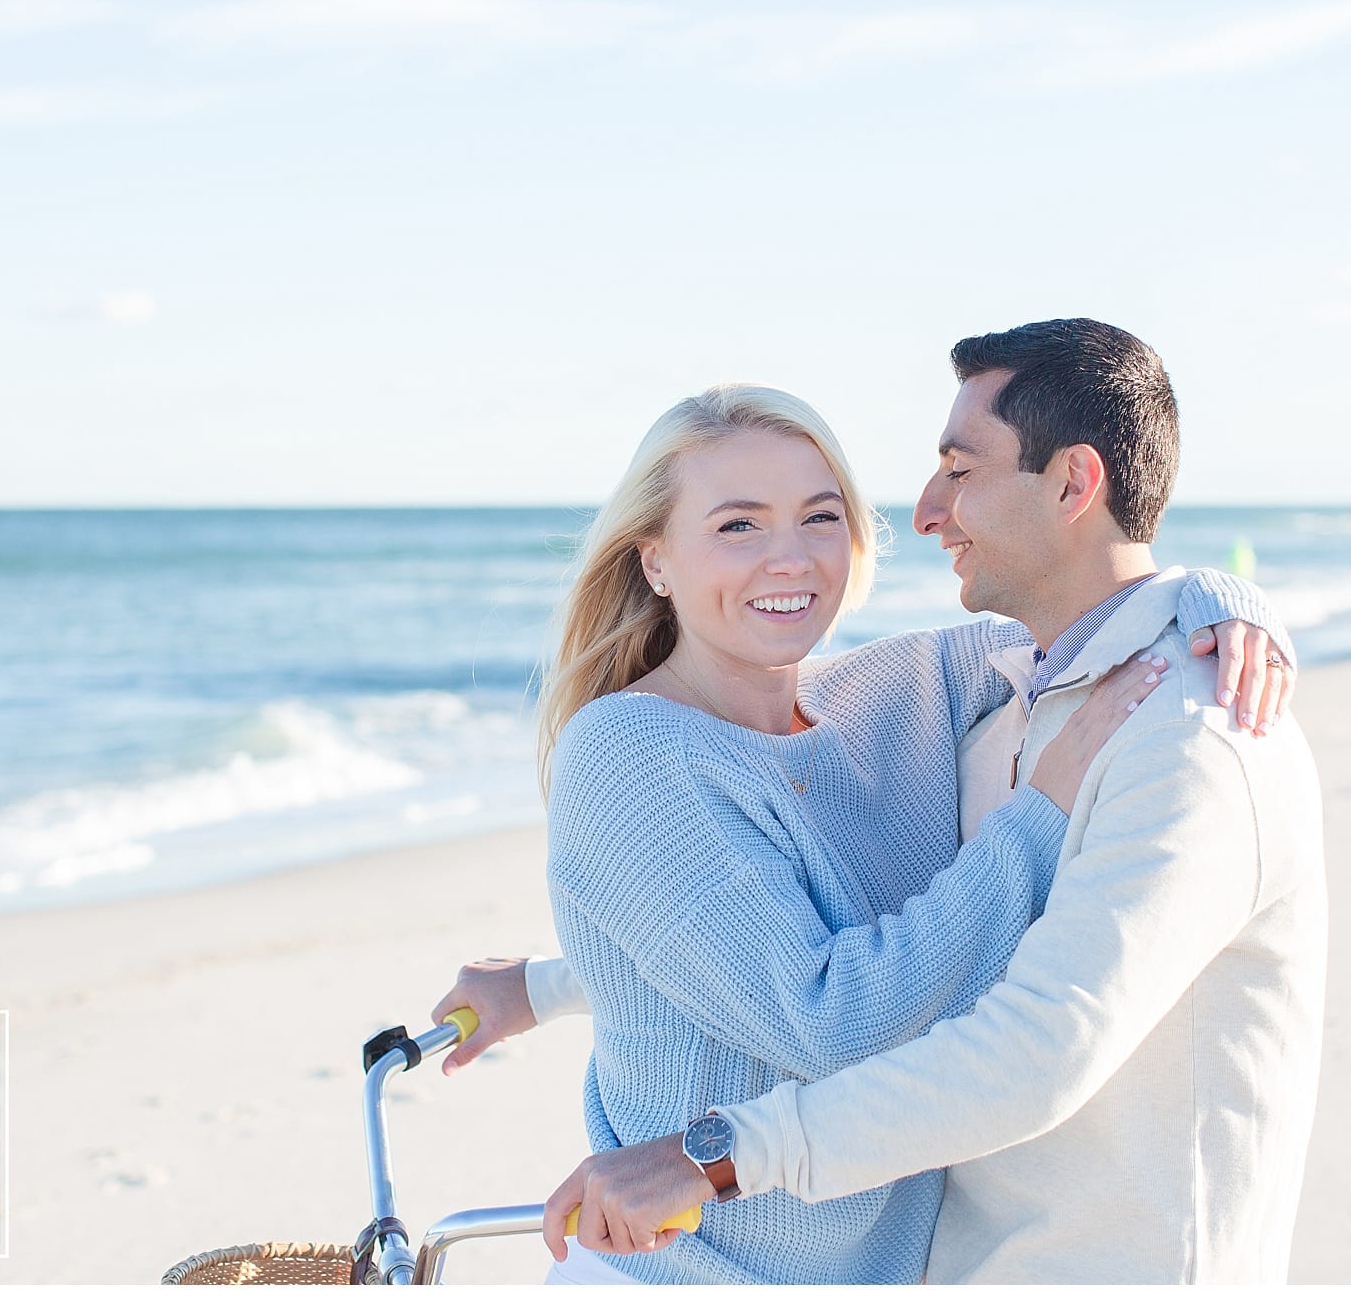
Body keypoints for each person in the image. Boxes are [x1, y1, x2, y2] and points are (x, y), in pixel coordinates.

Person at [434, 375, 1295, 1283]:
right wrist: (1038, 817)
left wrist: (1224, 601)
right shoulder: (629, 751)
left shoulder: (892, 695)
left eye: (818, 516)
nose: (791, 558)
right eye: (737, 525)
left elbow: (1094, 611)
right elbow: (825, 1015)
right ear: (654, 559)